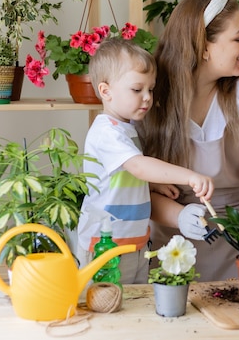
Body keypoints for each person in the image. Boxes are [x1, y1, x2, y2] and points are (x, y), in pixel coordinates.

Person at [138, 0, 239, 282]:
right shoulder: (150, 98)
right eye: (238, 38)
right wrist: (179, 216)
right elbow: (134, 182)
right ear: (203, 45)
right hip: (173, 250)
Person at [77, 36, 215, 285]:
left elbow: (123, 174)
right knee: (105, 308)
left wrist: (152, 186)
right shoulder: (106, 132)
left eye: (150, 89)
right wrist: (189, 176)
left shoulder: (125, 129)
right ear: (105, 91)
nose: (147, 97)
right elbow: (139, 166)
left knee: (134, 305)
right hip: (105, 246)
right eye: (137, 89)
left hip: (133, 242)